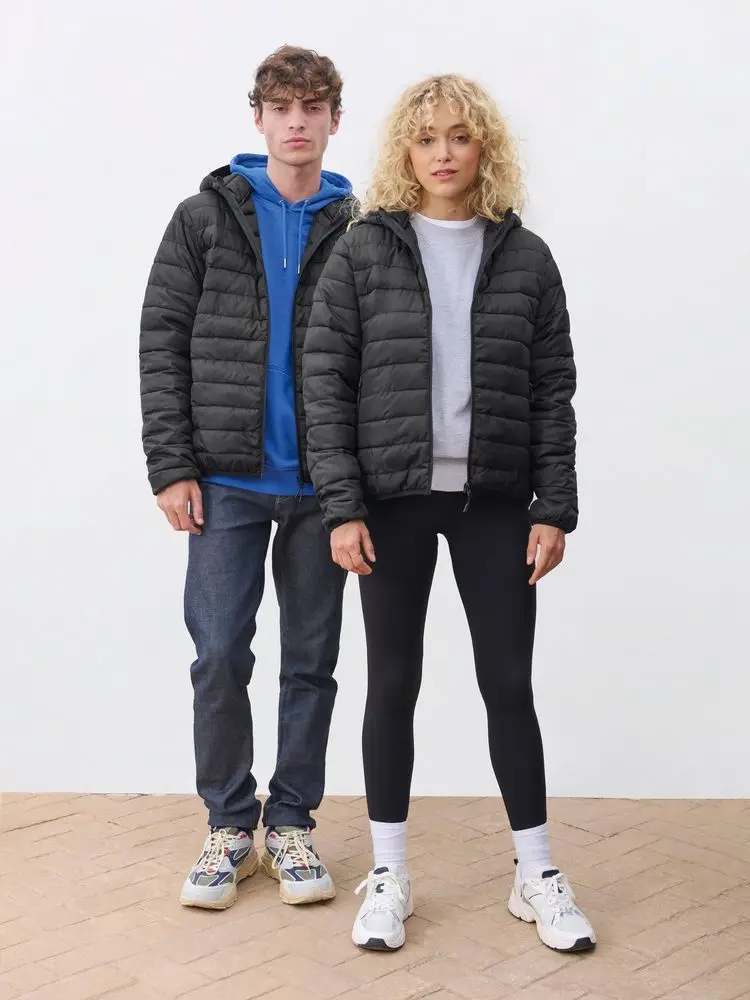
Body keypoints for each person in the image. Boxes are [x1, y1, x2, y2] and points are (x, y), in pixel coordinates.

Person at [303, 74, 596, 953]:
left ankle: (536, 872)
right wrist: (342, 508)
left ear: (483, 147)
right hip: (389, 501)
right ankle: (389, 872)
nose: (443, 152)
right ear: (406, 148)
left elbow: (552, 392)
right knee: (393, 682)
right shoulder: (363, 251)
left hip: (495, 502)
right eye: (427, 137)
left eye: (460, 136)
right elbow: (326, 385)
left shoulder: (526, 257)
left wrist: (555, 507)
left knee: (508, 683)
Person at [140, 46, 354, 910]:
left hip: (325, 486)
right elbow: (161, 340)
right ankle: (230, 824)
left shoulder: (364, 225)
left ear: (335, 118)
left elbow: (384, 356)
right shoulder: (204, 217)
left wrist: (364, 483)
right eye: (282, 107)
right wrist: (171, 465)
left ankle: (292, 822)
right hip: (225, 479)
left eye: (313, 106)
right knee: (221, 652)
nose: (297, 122)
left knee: (312, 660)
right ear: (258, 117)